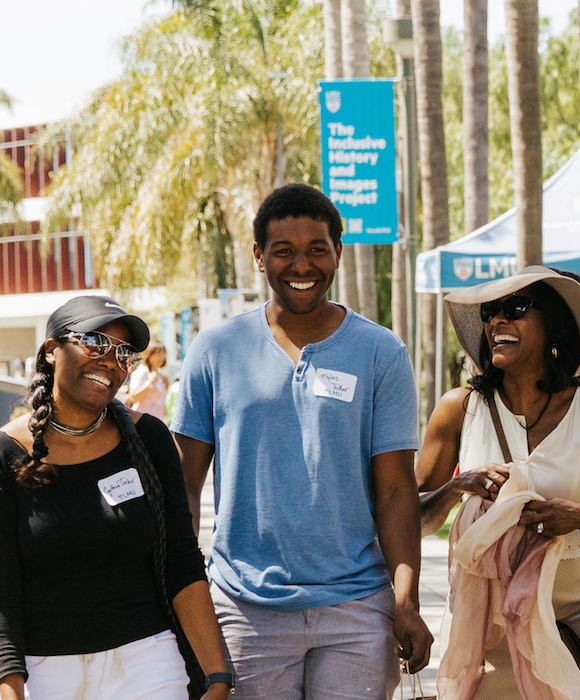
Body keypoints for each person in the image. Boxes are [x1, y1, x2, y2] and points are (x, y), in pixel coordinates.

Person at [171, 183, 432, 699]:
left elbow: (397, 491)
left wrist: (406, 602)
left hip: (356, 609)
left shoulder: (381, 352)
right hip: (244, 609)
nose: (301, 265)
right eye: (283, 251)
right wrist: (182, 595)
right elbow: (184, 483)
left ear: (338, 252)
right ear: (258, 257)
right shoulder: (215, 350)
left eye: (317, 249)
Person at [0, 295, 231, 700]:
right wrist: (12, 690)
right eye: (95, 342)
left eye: (125, 353)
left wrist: (217, 675)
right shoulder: (0, 457)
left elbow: (182, 558)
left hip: (148, 661)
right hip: (46, 670)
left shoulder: (149, 439)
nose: (111, 360)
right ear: (52, 351)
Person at [417, 266, 580, 699]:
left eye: (516, 308)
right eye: (490, 312)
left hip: (568, 628)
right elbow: (409, 520)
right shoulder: (459, 409)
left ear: (554, 325)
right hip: (485, 632)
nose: (497, 321)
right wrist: (454, 489)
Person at [128, 338, 169, 421]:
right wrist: (149, 383)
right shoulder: (142, 370)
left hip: (157, 422)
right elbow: (133, 397)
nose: (161, 357)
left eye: (163, 353)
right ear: (149, 355)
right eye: (157, 354)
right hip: (141, 422)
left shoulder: (160, 376)